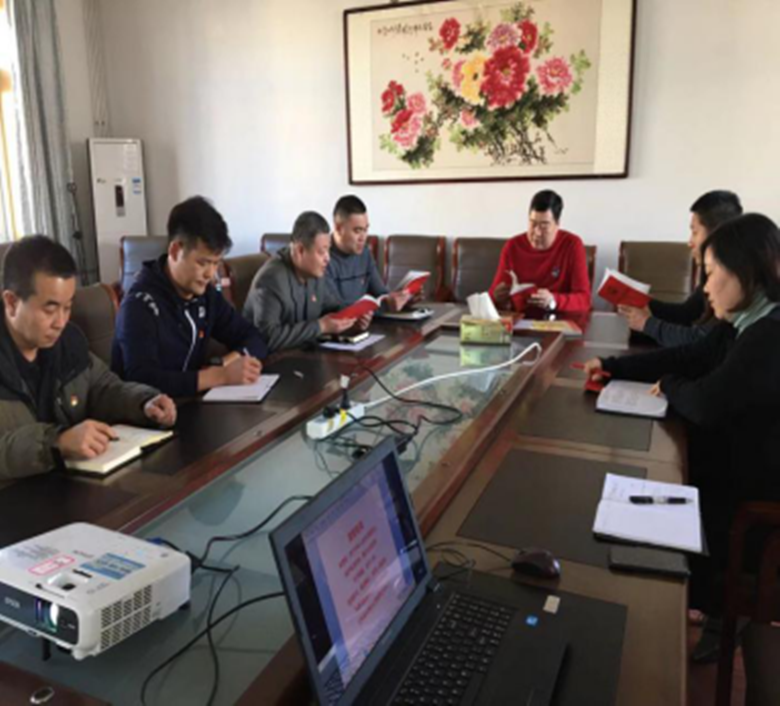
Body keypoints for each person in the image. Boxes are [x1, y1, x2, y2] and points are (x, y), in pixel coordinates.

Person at [583, 213, 780, 664]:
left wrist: (670, 385)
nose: (705, 288)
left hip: (753, 505)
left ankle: (702, 618)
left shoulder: (769, 334)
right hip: (731, 470)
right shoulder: (743, 322)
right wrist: (614, 366)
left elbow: (705, 402)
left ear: (746, 273)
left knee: (652, 495)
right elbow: (691, 356)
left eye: (711, 274)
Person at [0, 236, 176, 480]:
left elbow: (102, 387)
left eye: (67, 307)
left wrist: (143, 403)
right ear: (11, 302)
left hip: (72, 486)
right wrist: (56, 443)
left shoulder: (68, 342)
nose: (61, 322)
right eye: (50, 309)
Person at [112, 196, 267, 397]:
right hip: (146, 413)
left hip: (192, 404)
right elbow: (142, 380)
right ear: (175, 251)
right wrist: (219, 376)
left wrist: (225, 363)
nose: (210, 274)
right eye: (203, 263)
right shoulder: (139, 305)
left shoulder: (206, 295)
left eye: (216, 263)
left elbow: (254, 338)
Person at [618, 190, 743, 346]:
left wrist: (647, 324)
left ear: (716, 234)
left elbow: (701, 342)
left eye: (695, 232)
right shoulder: (717, 270)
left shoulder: (733, 280)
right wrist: (641, 302)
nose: (690, 242)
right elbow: (688, 314)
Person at [243, 211, 369, 353]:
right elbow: (267, 338)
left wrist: (354, 316)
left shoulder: (315, 272)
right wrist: (321, 327)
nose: (328, 258)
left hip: (303, 354)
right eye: (321, 252)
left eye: (328, 250)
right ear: (300, 250)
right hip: (268, 361)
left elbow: (332, 307)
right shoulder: (272, 279)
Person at [489, 190, 591, 313]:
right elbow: (492, 296)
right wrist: (497, 297)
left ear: (557, 224)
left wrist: (554, 301)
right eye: (533, 224)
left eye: (544, 226)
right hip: (520, 318)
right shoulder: (512, 246)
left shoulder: (572, 245)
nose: (537, 232)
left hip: (557, 318)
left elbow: (584, 300)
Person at [325, 195, 410, 311]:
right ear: (339, 228)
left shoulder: (365, 253)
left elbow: (381, 294)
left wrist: (403, 300)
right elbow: (336, 309)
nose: (363, 237)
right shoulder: (322, 257)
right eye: (357, 231)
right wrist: (383, 306)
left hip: (368, 321)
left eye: (365, 230)